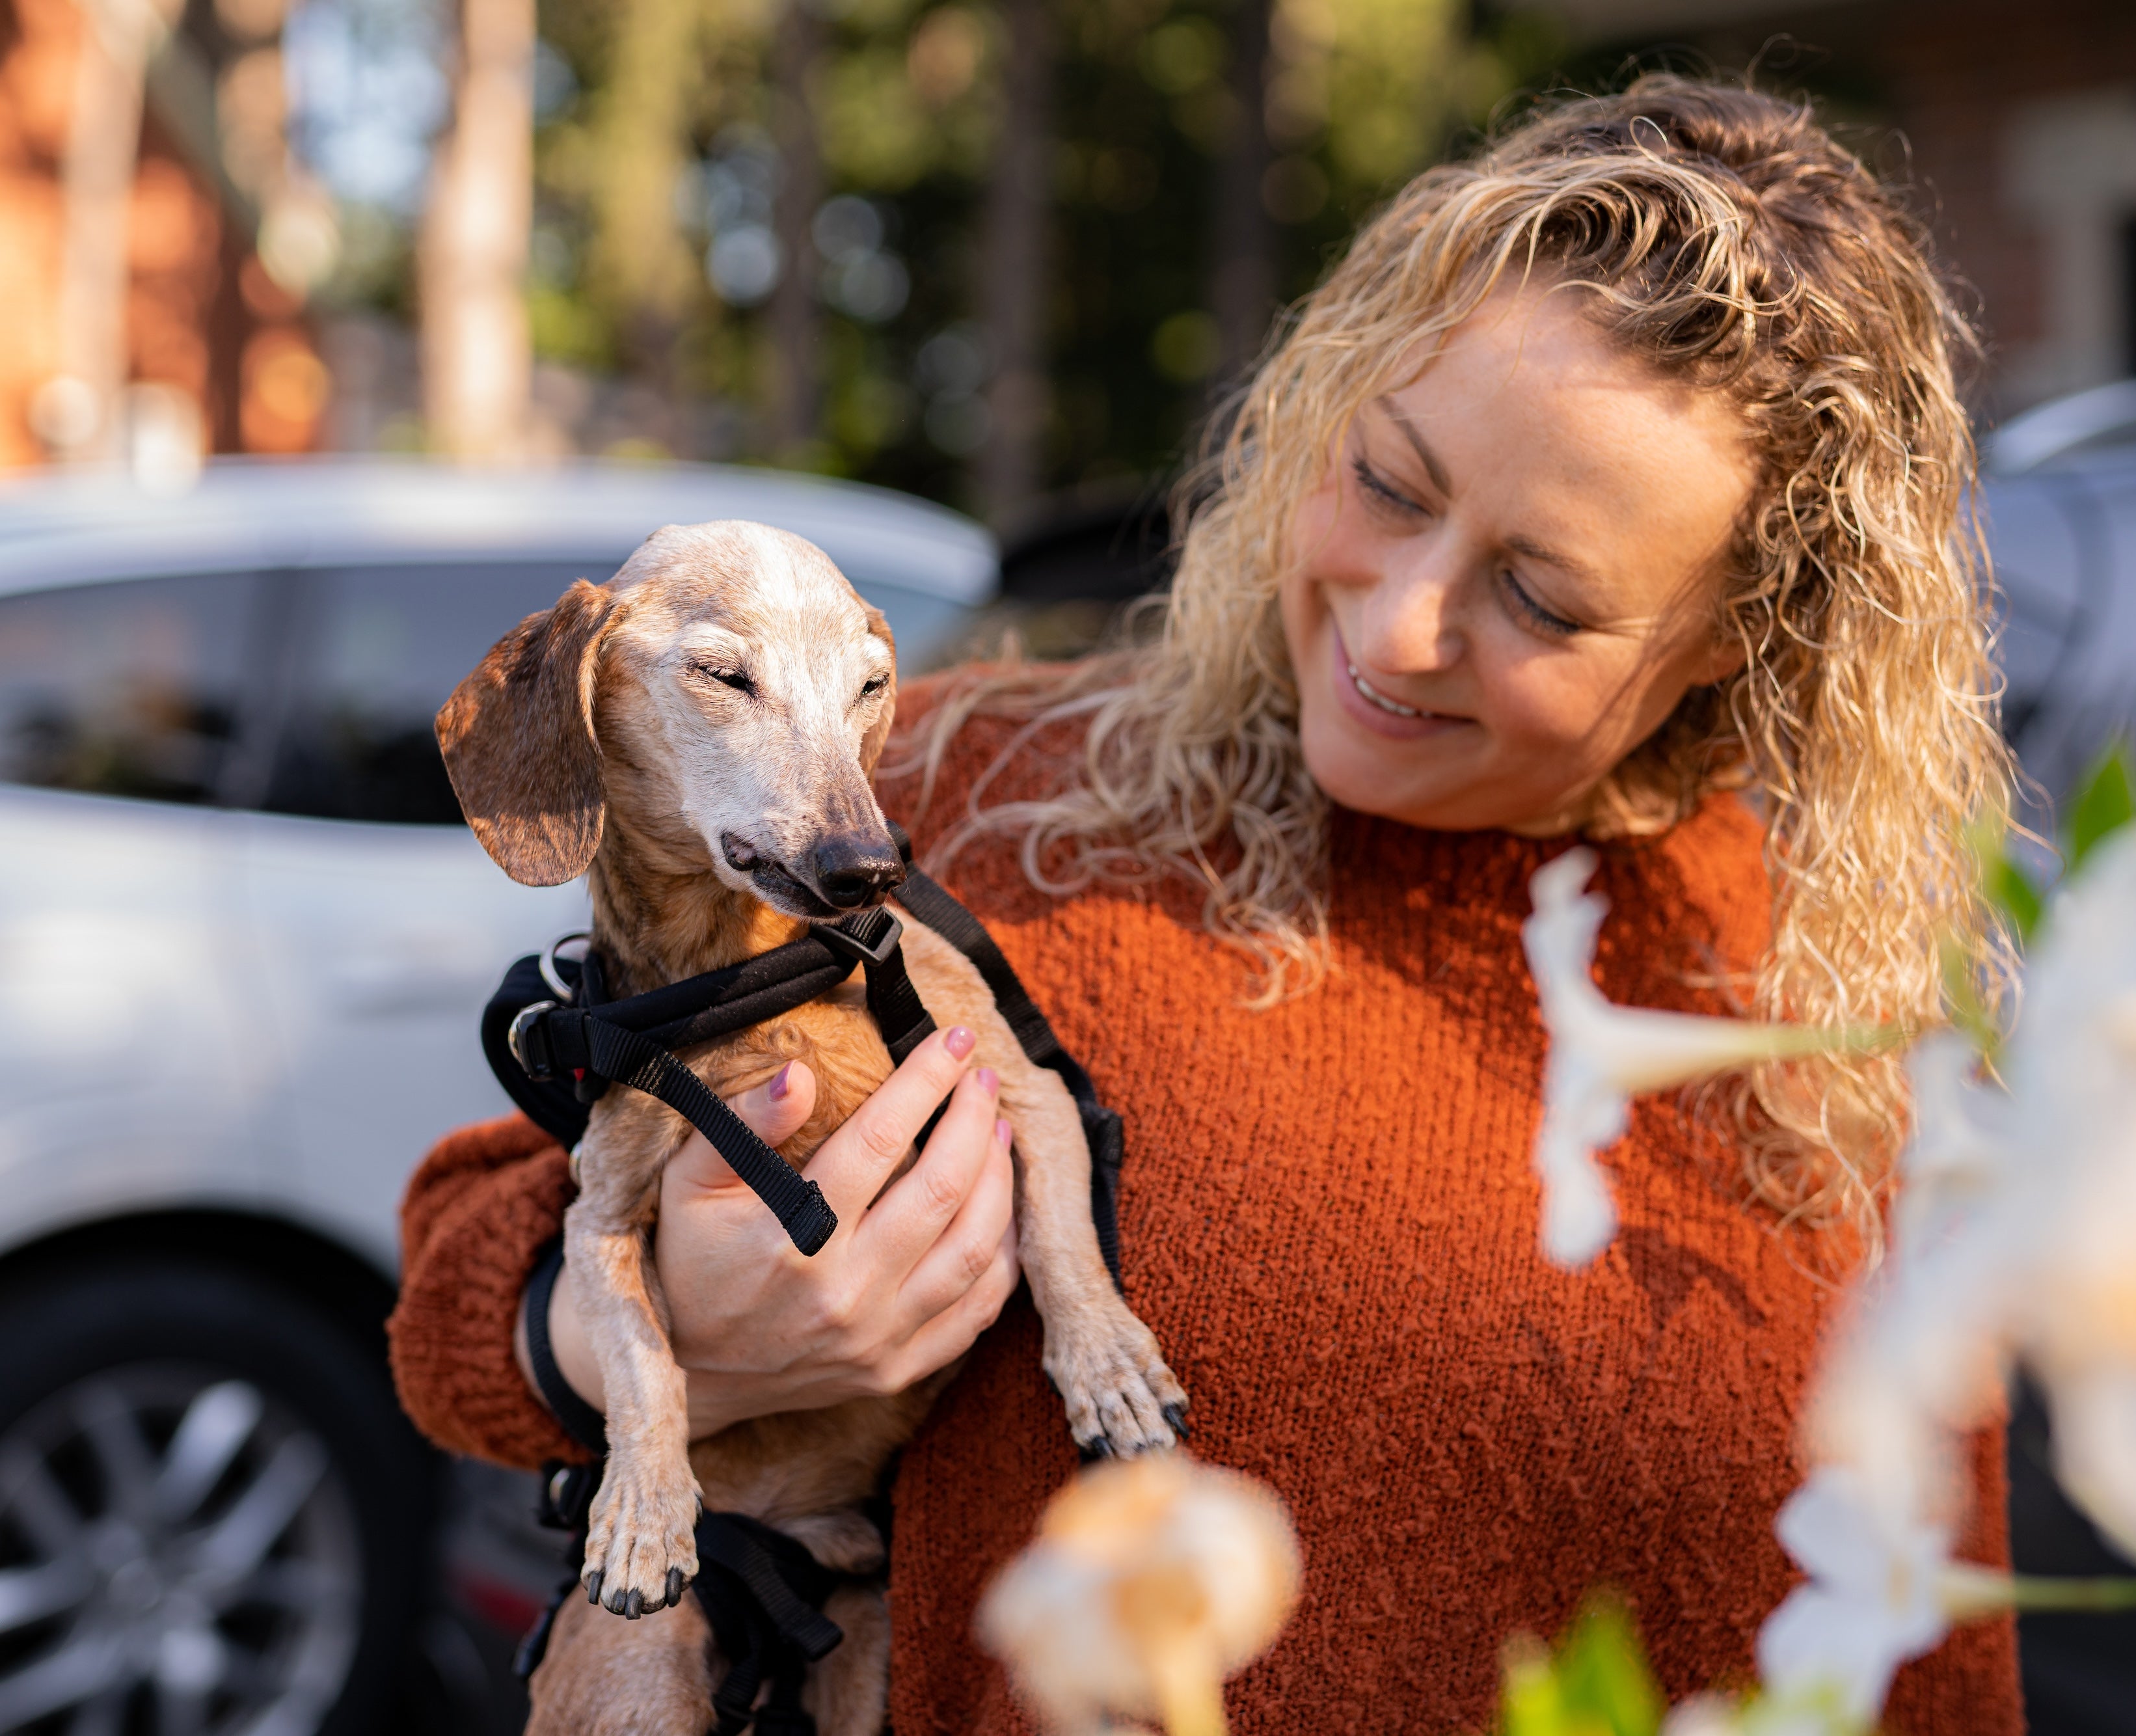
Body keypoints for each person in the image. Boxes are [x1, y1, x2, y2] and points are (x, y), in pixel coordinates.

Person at [389, 76, 2020, 1732]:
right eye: (1386, 481)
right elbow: (463, 1257)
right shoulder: (954, 783)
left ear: (1741, 633)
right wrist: (638, 1343)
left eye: (1537, 593)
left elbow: (1929, 1671)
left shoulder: (1845, 1042)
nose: (1393, 630)